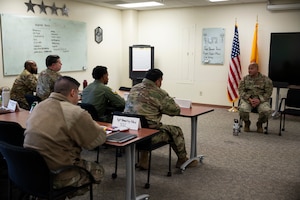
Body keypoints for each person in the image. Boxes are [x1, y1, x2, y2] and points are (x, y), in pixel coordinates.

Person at [24, 76, 106, 197]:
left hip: (30, 171)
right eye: (78, 94)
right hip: (58, 175)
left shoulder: (39, 106)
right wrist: (102, 130)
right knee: (99, 171)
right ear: (73, 92)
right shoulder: (74, 112)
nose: (79, 98)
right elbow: (95, 141)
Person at [124, 68, 198, 169]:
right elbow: (175, 111)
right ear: (158, 80)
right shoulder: (159, 93)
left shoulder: (134, 88)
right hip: (149, 135)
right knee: (176, 130)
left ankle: (143, 160)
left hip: (130, 130)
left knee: (145, 124)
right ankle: (182, 160)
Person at [238, 62, 273, 133]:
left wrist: (259, 100)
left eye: (251, 69)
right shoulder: (245, 79)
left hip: (261, 101)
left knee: (266, 111)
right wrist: (249, 99)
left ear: (257, 69)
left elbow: (268, 92)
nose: (249, 70)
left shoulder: (266, 79)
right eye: (249, 69)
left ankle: (259, 124)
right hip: (248, 100)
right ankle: (247, 123)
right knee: (242, 109)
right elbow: (241, 91)